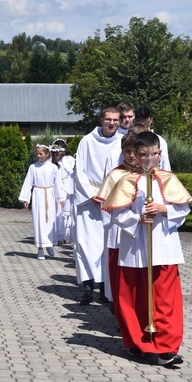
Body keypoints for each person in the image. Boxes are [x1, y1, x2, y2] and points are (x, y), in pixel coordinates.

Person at [101, 131, 192, 366]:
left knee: (165, 299)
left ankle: (166, 348)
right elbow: (117, 213)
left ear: (159, 153)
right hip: (135, 247)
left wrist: (164, 210)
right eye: (143, 154)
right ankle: (137, 344)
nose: (149, 158)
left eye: (153, 153)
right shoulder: (128, 180)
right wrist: (138, 218)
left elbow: (183, 210)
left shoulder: (168, 179)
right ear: (136, 156)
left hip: (164, 247)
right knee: (134, 298)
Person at [73, 107, 123, 305]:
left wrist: (109, 195)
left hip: (111, 199)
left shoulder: (121, 142)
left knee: (106, 246)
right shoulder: (87, 141)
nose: (112, 123)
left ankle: (105, 289)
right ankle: (87, 288)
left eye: (115, 120)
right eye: (108, 119)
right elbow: (80, 171)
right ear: (101, 120)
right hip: (89, 200)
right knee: (85, 245)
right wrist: (92, 194)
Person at [95, 130, 141, 315]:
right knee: (117, 272)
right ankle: (117, 306)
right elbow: (106, 207)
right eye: (127, 151)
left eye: (134, 151)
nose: (131, 156)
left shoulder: (145, 174)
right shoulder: (115, 175)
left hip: (141, 231)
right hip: (117, 232)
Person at [19, 144, 63, 259]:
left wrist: (61, 198)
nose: (38, 156)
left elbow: (58, 183)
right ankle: (40, 249)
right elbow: (28, 182)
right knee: (39, 221)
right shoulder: (33, 167)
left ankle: (49, 244)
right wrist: (26, 198)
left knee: (50, 220)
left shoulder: (53, 167)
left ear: (47, 154)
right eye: (37, 154)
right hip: (38, 195)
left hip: (49, 194)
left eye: (41, 154)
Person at [51, 139, 75, 244]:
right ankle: (58, 234)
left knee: (66, 212)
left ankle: (68, 235)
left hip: (67, 187)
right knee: (57, 211)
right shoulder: (53, 164)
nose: (60, 156)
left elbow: (71, 170)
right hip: (58, 188)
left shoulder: (68, 160)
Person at [134, 106, 171, 171]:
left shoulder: (160, 140)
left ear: (151, 120)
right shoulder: (131, 139)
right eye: (141, 123)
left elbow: (165, 164)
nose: (145, 125)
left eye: (147, 122)